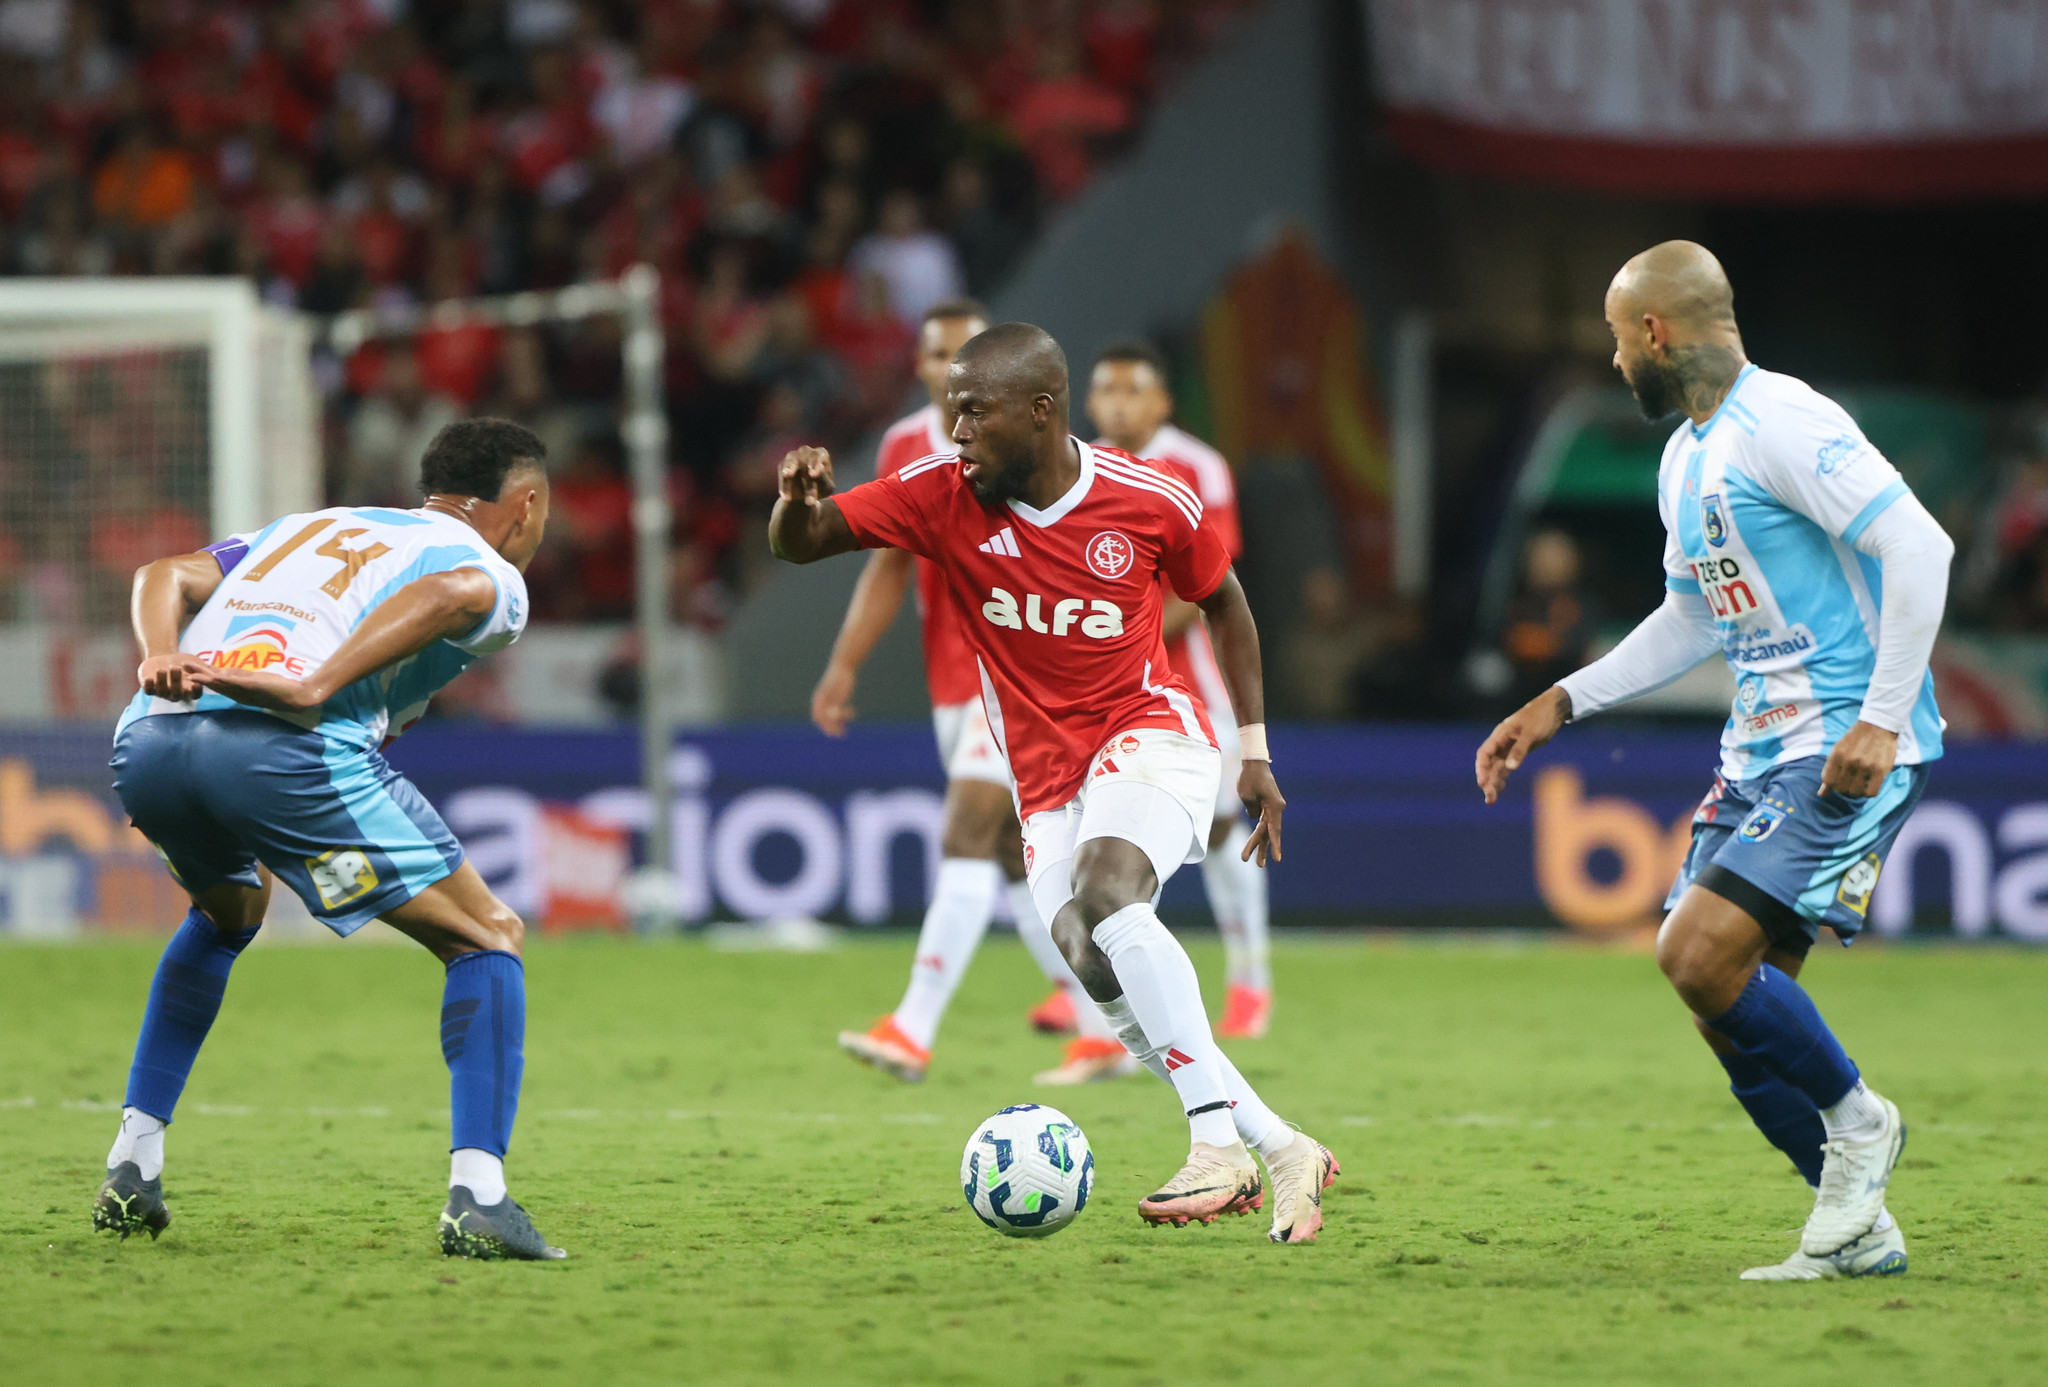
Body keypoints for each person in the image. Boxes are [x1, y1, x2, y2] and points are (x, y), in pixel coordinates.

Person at [772, 322, 1338, 1242]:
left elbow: (1225, 601)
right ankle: (1281, 1146)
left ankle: (1213, 1144)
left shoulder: (1150, 496)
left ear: (1040, 411)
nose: (956, 433)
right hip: (1042, 779)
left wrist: (1256, 751)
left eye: (973, 414)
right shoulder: (941, 492)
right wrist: (795, 504)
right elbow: (806, 543)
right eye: (951, 413)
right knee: (1088, 950)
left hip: (1151, 734)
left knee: (1107, 895)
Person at [1476, 242, 1952, 1281]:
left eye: (1616, 341)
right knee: (1724, 1008)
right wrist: (1562, 699)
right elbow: (1690, 618)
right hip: (1758, 751)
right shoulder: (1683, 458)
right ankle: (1856, 1229)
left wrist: (1878, 720)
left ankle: (1860, 1121)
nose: (1614, 363)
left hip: (1839, 744)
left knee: (1693, 954)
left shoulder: (1785, 421)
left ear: (1654, 332)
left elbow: (1920, 548)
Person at [93, 419, 566, 1262]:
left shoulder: (308, 526)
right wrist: (317, 683)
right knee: (486, 935)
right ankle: (481, 1197)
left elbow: (162, 572)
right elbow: (454, 593)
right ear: (525, 506)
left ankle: (133, 1162)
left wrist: (160, 655)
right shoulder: (495, 573)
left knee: (230, 911)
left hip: (151, 742)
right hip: (278, 753)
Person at [814, 299, 1090, 1083]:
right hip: (949, 681)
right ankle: (1103, 1020)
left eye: (969, 354)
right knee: (1008, 856)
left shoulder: (1032, 446)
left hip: (1012, 675)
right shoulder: (906, 444)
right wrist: (844, 662)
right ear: (923, 365)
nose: (954, 368)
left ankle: (913, 1026)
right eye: (941, 355)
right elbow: (888, 563)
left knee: (966, 832)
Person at [1051, 338, 1271, 1063]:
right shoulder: (1075, 468)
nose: (1118, 403)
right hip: (1108, 687)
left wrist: (1120, 629)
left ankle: (1250, 979)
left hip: (1191, 679)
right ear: (1089, 401)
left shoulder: (1197, 467)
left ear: (1162, 402)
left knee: (1218, 829)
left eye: (1133, 390)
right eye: (1107, 390)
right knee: (1111, 829)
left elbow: (1208, 584)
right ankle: (1101, 984)